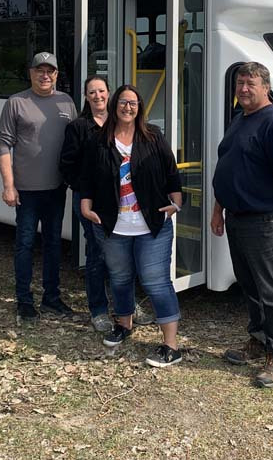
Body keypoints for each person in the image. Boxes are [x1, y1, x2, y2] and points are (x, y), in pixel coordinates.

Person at [211, 62, 273, 388]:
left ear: (266, 87)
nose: (243, 89)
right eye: (239, 83)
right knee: (250, 286)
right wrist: (217, 209)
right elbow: (228, 167)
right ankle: (258, 341)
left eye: (250, 83)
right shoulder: (241, 119)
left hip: (265, 221)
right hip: (236, 218)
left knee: (272, 290)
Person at [80, 84, 185, 368]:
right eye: (123, 102)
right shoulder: (99, 140)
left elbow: (172, 175)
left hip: (152, 226)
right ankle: (124, 325)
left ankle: (171, 346)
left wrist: (176, 204)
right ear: (115, 105)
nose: (128, 107)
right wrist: (85, 205)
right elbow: (88, 178)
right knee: (119, 278)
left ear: (140, 107)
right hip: (114, 226)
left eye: (134, 103)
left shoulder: (153, 136)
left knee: (156, 282)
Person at [0, 52, 78, 321]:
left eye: (50, 71)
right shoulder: (16, 103)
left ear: (56, 74)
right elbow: (3, 145)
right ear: (30, 73)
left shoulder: (66, 102)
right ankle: (24, 301)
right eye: (39, 70)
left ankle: (52, 298)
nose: (45, 75)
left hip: (56, 188)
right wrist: (9, 185)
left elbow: (77, 141)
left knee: (54, 244)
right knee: (25, 244)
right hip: (27, 191)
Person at [59, 75, 114, 332]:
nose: (97, 96)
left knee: (123, 253)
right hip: (88, 202)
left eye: (101, 91)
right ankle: (99, 310)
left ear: (109, 93)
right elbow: (66, 165)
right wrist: (83, 192)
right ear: (86, 96)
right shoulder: (78, 127)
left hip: (118, 200)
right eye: (92, 92)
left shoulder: (120, 122)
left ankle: (127, 303)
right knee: (98, 253)